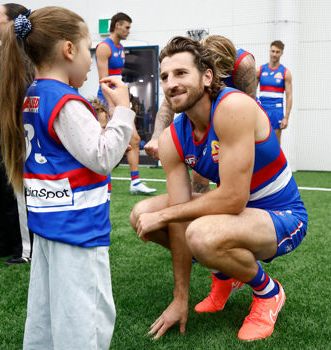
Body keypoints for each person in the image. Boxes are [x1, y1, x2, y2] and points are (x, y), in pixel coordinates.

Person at [130, 36, 307, 341]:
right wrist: (180, 298)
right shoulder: (173, 138)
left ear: (207, 76)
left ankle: (268, 293)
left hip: (280, 213)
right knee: (141, 213)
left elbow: (234, 199)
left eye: (181, 73)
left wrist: (166, 216)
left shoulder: (233, 105)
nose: (171, 83)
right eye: (165, 77)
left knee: (199, 234)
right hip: (239, 214)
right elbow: (179, 218)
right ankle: (225, 277)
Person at [0, 6, 135, 349]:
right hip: (77, 229)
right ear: (68, 50)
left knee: (47, 315)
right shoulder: (66, 101)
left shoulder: (34, 94)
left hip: (49, 224)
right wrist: (123, 111)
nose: (92, 60)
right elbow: (102, 156)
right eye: (88, 49)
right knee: (84, 320)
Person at [144, 34, 256, 193]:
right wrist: (156, 137)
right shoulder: (196, 60)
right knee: (198, 169)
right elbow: (168, 104)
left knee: (238, 175)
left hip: (235, 121)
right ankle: (201, 212)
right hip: (207, 118)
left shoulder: (243, 64)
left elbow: (249, 108)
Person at [0, 3, 33, 265]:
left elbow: (3, 93)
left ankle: (22, 249)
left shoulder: (23, 55)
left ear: (13, 22)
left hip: (11, 134)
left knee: (12, 193)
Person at [95, 12, 156, 195]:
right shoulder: (104, 48)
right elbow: (103, 81)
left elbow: (117, 78)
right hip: (107, 101)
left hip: (118, 98)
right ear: (117, 26)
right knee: (104, 142)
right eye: (127, 27)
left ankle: (135, 182)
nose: (129, 31)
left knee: (134, 139)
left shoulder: (120, 47)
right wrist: (113, 106)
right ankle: (102, 183)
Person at [256, 40, 292, 144]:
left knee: (275, 143)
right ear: (269, 51)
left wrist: (286, 117)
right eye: (272, 51)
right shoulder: (260, 70)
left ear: (281, 53)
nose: (274, 54)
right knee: (260, 141)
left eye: (277, 52)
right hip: (262, 110)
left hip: (276, 112)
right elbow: (251, 91)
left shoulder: (285, 73)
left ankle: (276, 160)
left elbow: (289, 96)